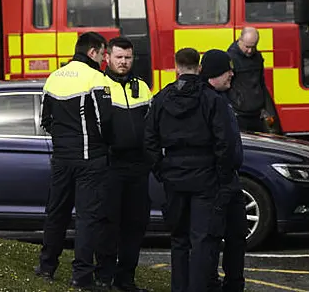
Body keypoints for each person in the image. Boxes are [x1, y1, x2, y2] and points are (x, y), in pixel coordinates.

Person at [144, 48, 237, 292]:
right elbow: (224, 142)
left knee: (179, 240)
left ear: (176, 67)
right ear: (199, 68)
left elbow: (149, 139)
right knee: (202, 240)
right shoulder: (212, 99)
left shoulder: (162, 98)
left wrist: (160, 169)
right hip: (205, 177)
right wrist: (222, 175)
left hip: (173, 176)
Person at [34, 32, 113, 290]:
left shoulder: (54, 77)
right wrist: (103, 146)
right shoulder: (96, 78)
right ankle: (81, 276)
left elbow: (44, 120)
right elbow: (105, 121)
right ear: (92, 52)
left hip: (61, 158)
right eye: (102, 54)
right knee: (86, 219)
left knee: (56, 214)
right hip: (90, 159)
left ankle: (46, 266)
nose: (104, 59)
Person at [95, 36, 153, 292]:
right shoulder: (98, 85)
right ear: (107, 57)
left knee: (135, 225)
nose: (124, 62)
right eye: (119, 57)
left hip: (138, 168)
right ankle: (104, 277)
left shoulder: (141, 87)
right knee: (108, 224)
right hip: (110, 166)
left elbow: (151, 125)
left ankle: (126, 279)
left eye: (128, 57)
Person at [200, 49, 247, 292]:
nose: (232, 73)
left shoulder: (222, 97)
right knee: (211, 237)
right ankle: (211, 284)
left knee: (236, 235)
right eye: (227, 69)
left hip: (229, 181)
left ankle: (234, 284)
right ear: (214, 73)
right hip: (216, 182)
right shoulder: (208, 100)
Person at [226, 27, 278, 133]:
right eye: (247, 47)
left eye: (253, 47)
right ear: (240, 40)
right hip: (239, 114)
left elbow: (261, 84)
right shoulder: (230, 58)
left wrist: (269, 111)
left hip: (256, 113)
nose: (250, 51)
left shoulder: (257, 57)